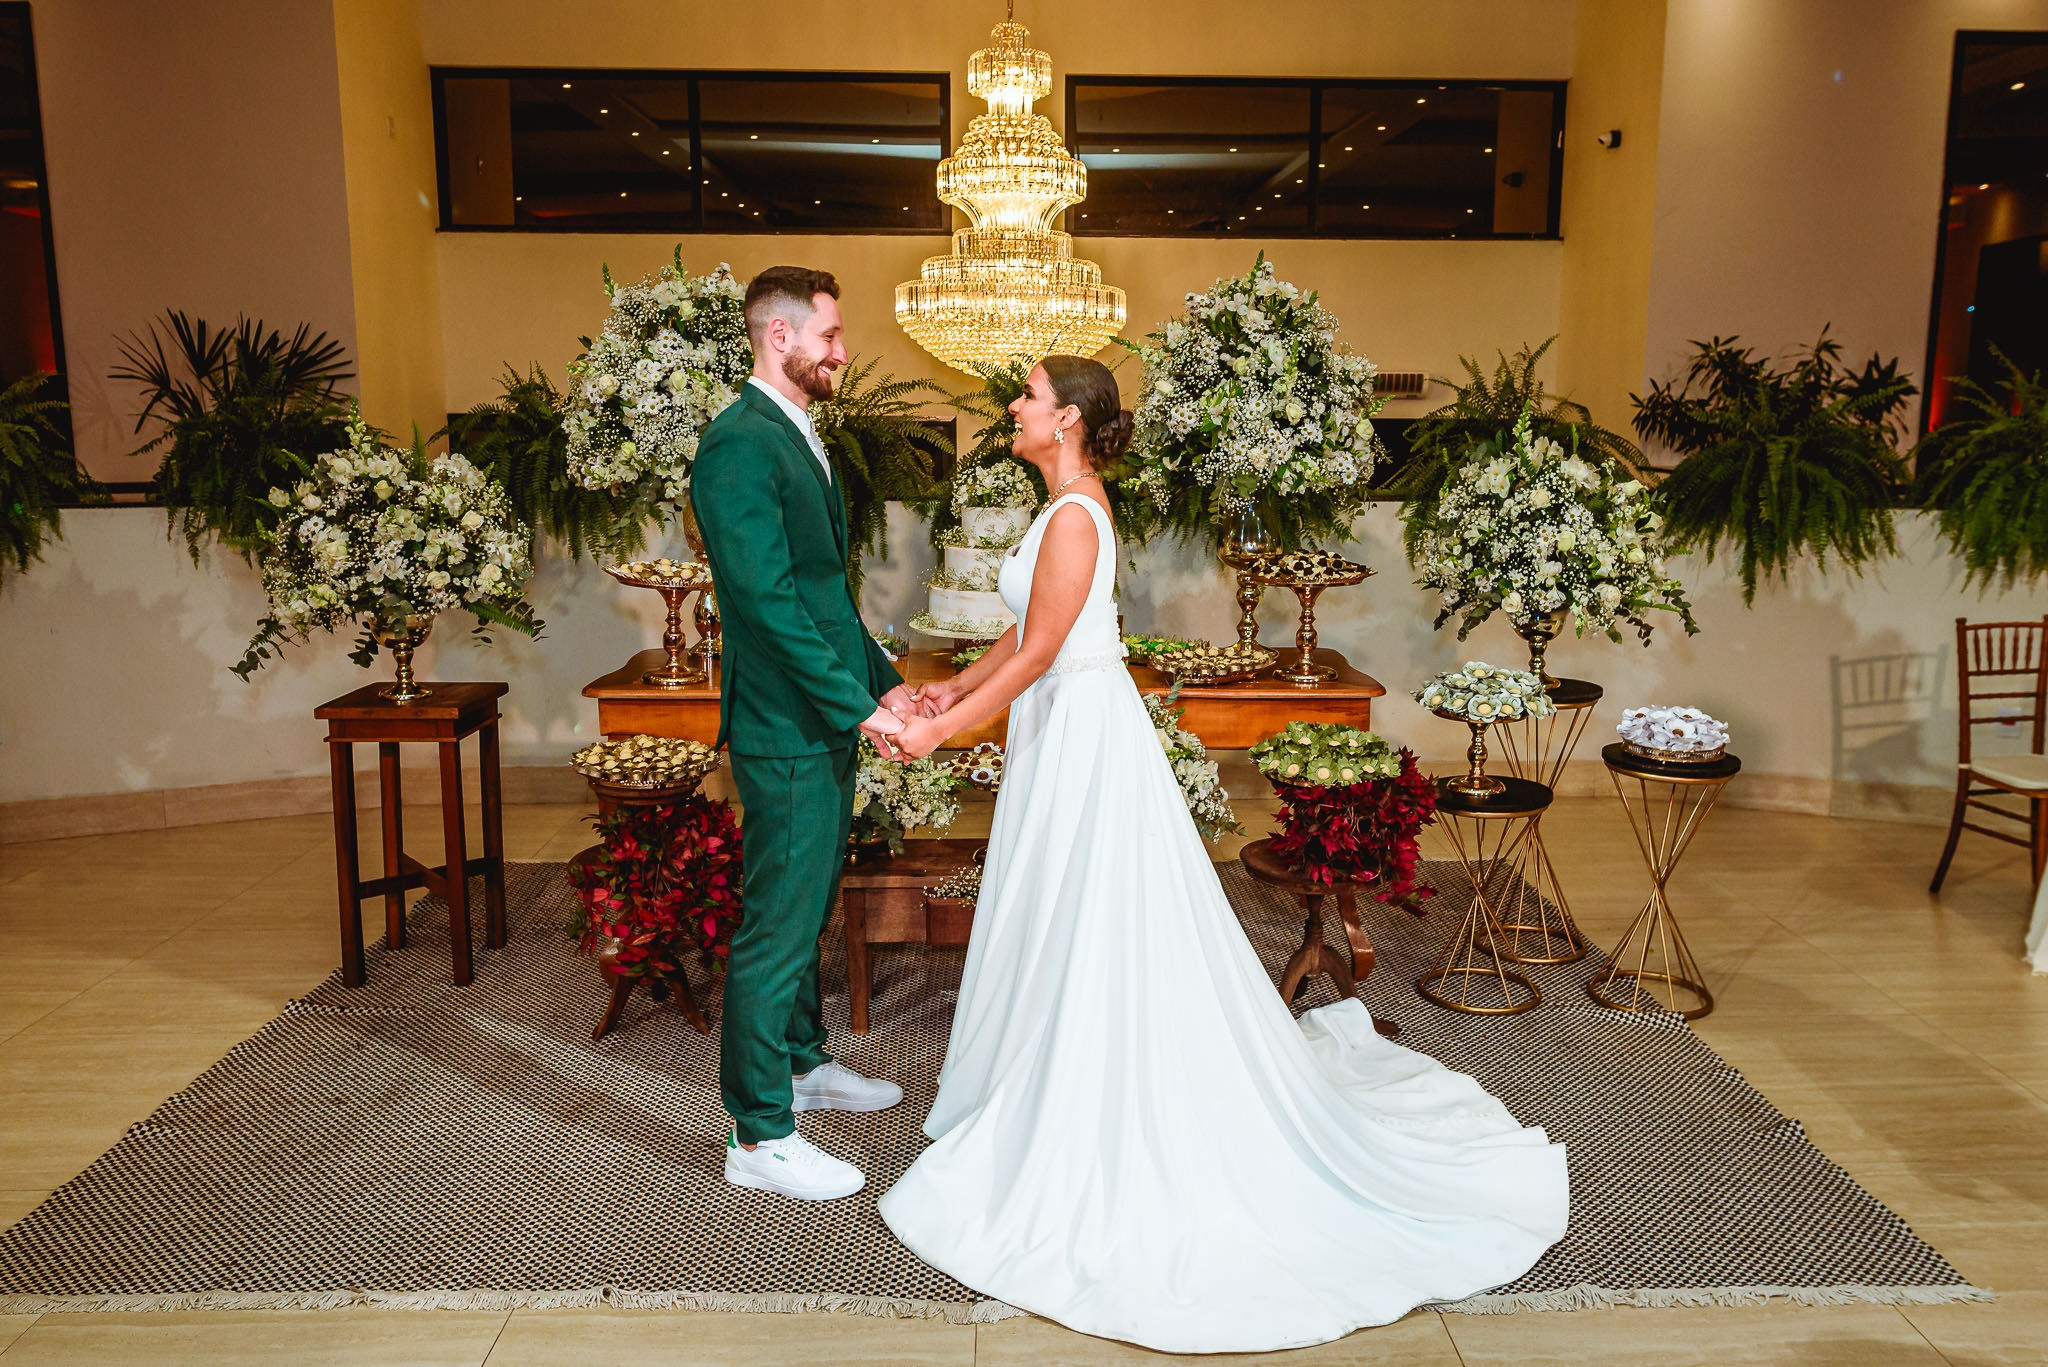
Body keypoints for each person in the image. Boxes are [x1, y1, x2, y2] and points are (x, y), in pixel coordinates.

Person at [874, 354, 1571, 1353]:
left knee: (1091, 910)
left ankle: (1098, 1087)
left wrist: (939, 732)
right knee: (1060, 909)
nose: (1013, 410)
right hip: (1055, 724)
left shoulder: (1075, 514)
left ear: (1065, 417)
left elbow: (1042, 652)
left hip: (1080, 732)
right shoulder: (1061, 506)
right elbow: (1025, 636)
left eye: (1025, 397)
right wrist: (947, 691)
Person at [688, 266, 913, 1202]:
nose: (842, 351)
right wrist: (855, 705)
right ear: (778, 336)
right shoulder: (737, 443)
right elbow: (767, 606)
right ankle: (757, 1132)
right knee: (775, 922)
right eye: (830, 334)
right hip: (784, 724)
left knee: (811, 896)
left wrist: (891, 686)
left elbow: (826, 597)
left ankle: (798, 1063)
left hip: (821, 713)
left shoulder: (795, 430)